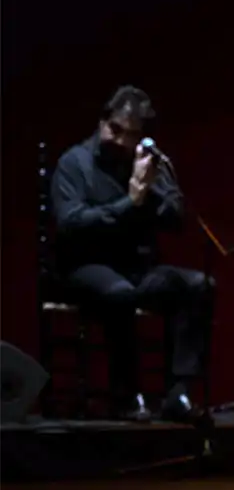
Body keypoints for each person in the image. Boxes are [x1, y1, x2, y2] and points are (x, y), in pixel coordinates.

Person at [50, 86, 211, 422]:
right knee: (120, 294)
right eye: (115, 130)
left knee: (198, 285)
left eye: (132, 134)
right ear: (102, 122)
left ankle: (178, 393)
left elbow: (176, 218)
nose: (121, 141)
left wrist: (150, 190)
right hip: (85, 265)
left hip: (137, 267)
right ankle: (125, 396)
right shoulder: (74, 163)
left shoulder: (147, 162)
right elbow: (71, 223)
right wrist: (131, 201)